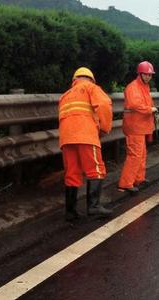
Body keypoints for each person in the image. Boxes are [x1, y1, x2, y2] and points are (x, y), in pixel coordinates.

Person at [59, 67, 113, 221]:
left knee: (72, 173)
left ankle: (70, 211)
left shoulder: (65, 95)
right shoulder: (91, 88)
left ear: (74, 81)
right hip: (86, 135)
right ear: (91, 79)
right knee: (96, 169)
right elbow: (104, 105)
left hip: (67, 138)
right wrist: (104, 128)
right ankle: (94, 207)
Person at [118, 61, 158, 193]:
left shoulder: (143, 87)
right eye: (146, 74)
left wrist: (150, 110)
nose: (148, 77)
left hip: (141, 126)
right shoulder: (133, 87)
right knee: (135, 155)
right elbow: (135, 104)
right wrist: (150, 109)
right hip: (135, 127)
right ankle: (126, 183)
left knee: (141, 154)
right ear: (140, 74)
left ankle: (138, 179)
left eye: (150, 75)